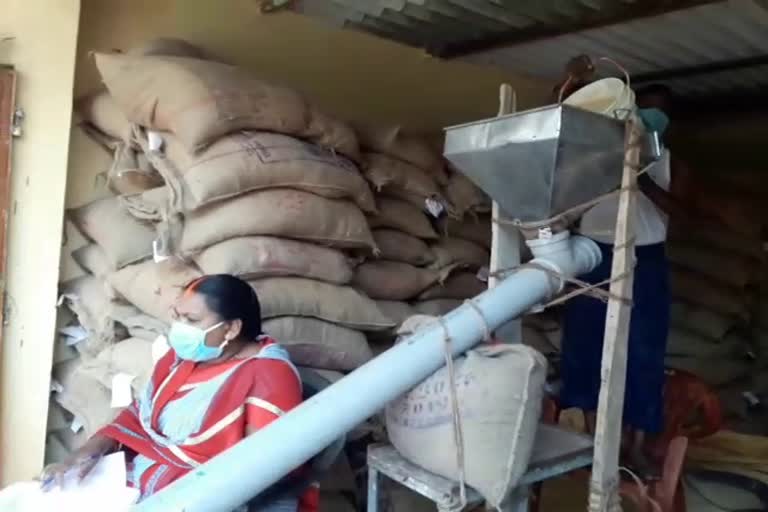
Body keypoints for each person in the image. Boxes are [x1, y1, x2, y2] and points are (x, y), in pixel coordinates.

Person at [41, 274, 318, 511]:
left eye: (191, 319)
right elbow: (141, 415)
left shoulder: (269, 375)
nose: (180, 328)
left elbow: (260, 470)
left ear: (231, 328)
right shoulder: (181, 360)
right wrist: (87, 453)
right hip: (142, 481)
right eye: (178, 317)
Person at [558, 68, 688, 479]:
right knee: (587, 345)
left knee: (642, 353)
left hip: (645, 260)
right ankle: (596, 443)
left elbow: (685, 217)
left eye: (659, 112)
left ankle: (633, 446)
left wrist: (643, 180)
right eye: (644, 108)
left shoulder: (669, 163)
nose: (650, 115)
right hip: (594, 255)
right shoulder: (598, 156)